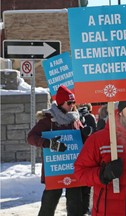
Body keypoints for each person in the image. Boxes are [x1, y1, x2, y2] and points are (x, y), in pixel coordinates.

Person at [74, 100, 126, 216]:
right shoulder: (99, 139)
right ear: (120, 112)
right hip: (106, 212)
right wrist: (102, 174)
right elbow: (80, 172)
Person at [27, 85, 85, 216]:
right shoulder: (48, 120)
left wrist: (86, 133)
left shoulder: (75, 118)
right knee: (49, 204)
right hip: (54, 168)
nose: (72, 105)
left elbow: (83, 141)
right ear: (60, 103)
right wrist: (48, 143)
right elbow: (31, 137)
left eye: (73, 102)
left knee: (75, 205)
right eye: (69, 103)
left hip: (72, 168)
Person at [78, 103, 98, 215]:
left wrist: (89, 131)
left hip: (87, 155)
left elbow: (95, 133)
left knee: (86, 186)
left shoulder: (89, 117)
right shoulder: (71, 116)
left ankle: (84, 210)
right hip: (74, 154)